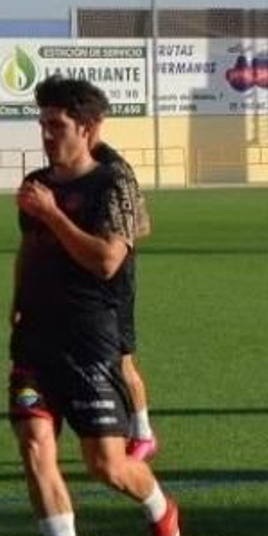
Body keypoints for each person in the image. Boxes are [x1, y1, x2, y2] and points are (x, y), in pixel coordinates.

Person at [10, 76, 183, 536]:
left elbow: (107, 260)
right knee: (35, 447)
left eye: (56, 125)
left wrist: (54, 214)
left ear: (86, 129)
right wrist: (14, 307)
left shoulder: (113, 185)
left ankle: (160, 508)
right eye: (42, 124)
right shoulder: (36, 183)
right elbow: (29, 249)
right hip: (34, 343)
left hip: (89, 342)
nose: (46, 135)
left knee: (106, 465)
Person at [89, 140, 158, 461]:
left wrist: (110, 239)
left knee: (121, 359)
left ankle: (143, 431)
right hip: (91, 280)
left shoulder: (113, 171)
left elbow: (141, 225)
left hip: (116, 279)